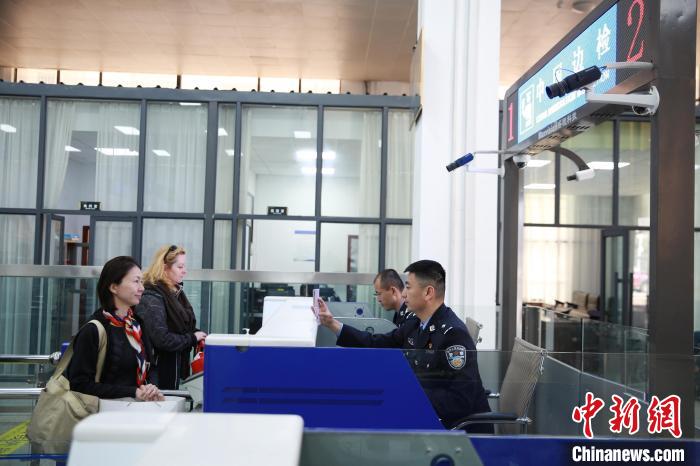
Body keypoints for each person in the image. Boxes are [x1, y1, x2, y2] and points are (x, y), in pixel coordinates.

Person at [318, 259, 491, 433]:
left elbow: (460, 401)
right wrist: (333, 324)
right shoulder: (415, 323)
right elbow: (378, 343)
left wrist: (408, 393)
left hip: (458, 432)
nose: (404, 294)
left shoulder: (453, 334)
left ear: (428, 292)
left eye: (408, 287)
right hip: (426, 417)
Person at [67, 256, 163, 401]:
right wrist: (132, 392)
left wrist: (151, 387)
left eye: (142, 282)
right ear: (113, 287)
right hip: (104, 412)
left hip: (136, 409)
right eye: (136, 281)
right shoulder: (94, 329)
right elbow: (79, 385)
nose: (142, 288)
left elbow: (151, 367)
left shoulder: (136, 324)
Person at [136, 245, 207, 389]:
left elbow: (182, 327)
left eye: (184, 266)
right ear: (164, 268)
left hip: (175, 369)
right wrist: (193, 338)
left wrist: (198, 334)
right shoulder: (152, 296)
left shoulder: (174, 292)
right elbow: (162, 339)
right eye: (180, 267)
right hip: (158, 377)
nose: (184, 271)